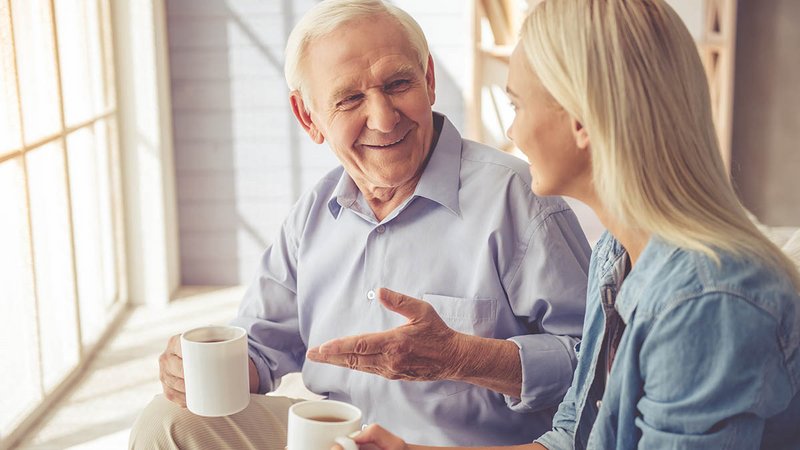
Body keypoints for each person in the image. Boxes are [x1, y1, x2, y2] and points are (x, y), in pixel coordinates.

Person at [129, 0, 591, 448]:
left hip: (458, 447)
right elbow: (262, 347)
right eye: (350, 98)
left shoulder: (519, 197)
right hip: (335, 438)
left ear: (429, 80)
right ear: (309, 117)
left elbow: (600, 365)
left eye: (397, 84)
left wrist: (460, 357)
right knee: (168, 422)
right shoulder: (312, 213)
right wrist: (197, 371)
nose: (383, 118)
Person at [346, 0, 800, 449]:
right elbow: (572, 439)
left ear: (581, 120)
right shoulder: (615, 255)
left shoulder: (707, 302)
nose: (512, 132)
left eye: (518, 106)